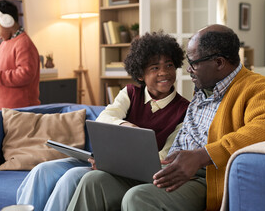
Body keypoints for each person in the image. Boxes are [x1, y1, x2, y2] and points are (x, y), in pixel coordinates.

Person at [66, 24, 265, 211]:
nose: (187, 70)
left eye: (193, 63)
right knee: (92, 182)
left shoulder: (256, 87)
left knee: (140, 198)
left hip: (203, 177)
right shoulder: (206, 85)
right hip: (165, 167)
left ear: (218, 63)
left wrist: (203, 155)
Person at [16, 31, 190, 211]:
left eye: (169, 65)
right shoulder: (130, 93)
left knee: (71, 177)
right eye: (155, 68)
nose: (164, 72)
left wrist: (113, 162)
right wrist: (126, 125)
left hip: (125, 170)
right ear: (140, 75)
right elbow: (104, 118)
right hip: (97, 159)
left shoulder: (184, 110)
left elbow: (163, 159)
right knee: (42, 170)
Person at [0, 0, 40, 110]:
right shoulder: (3, 44)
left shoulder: (24, 43)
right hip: (3, 109)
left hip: (22, 110)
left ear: (7, 21)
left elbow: (25, 75)